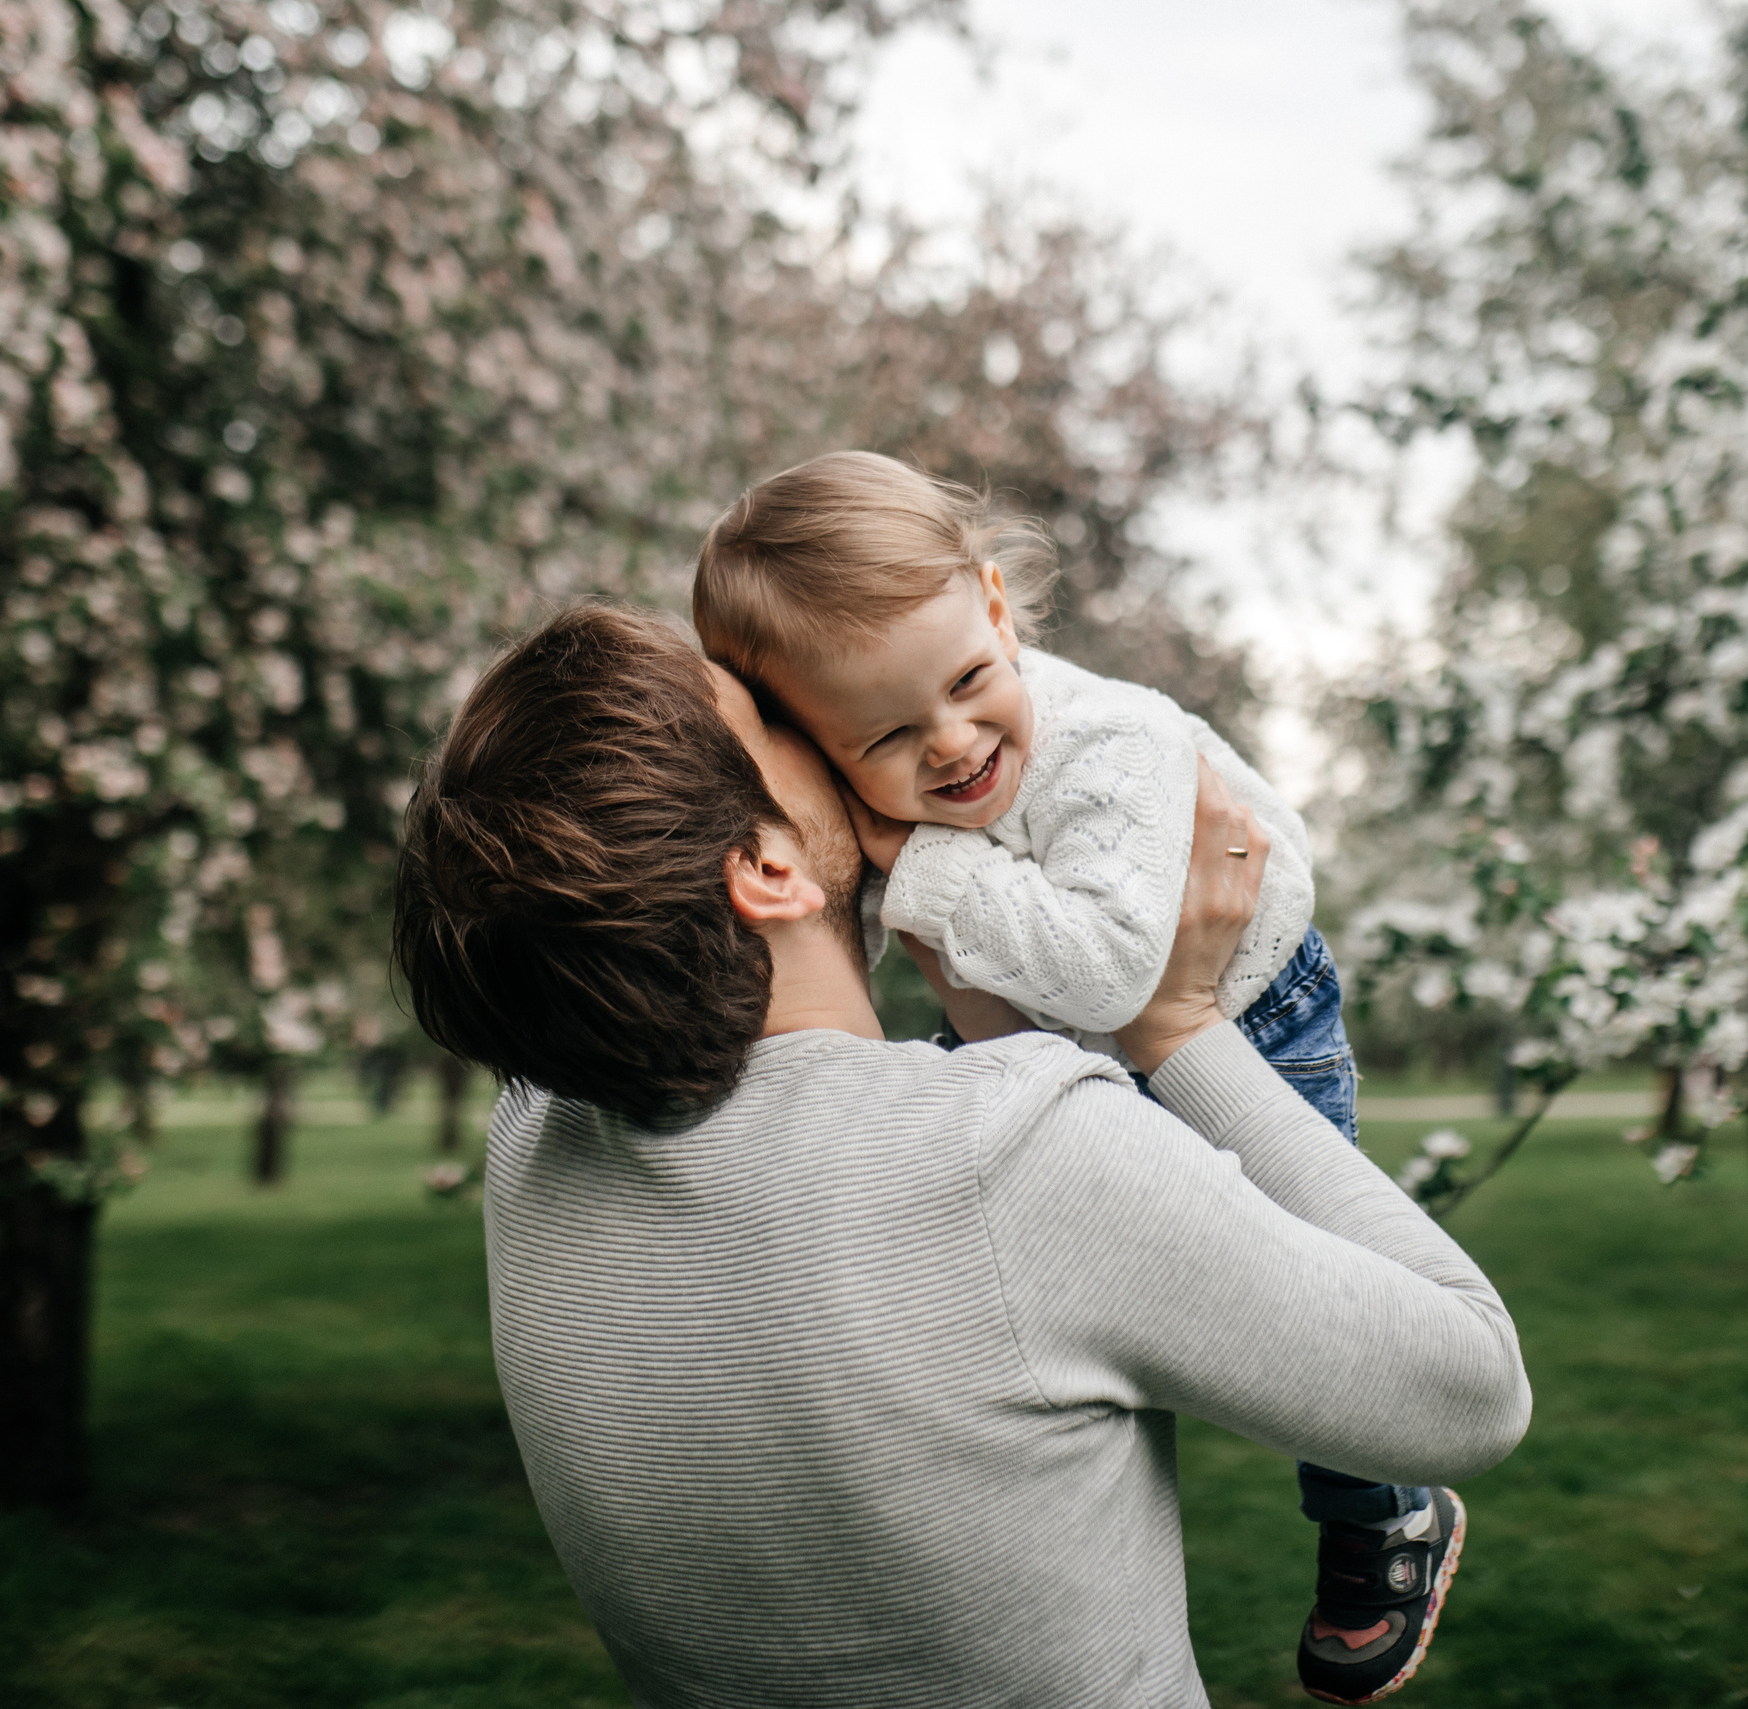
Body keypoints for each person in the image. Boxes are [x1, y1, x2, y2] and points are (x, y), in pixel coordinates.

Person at [391, 601, 1531, 1708]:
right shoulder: (1011, 1150)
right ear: (767, 868)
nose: (822, 716)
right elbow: (1470, 1392)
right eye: (771, 715)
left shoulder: (535, 1152)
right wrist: (1179, 1030)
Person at [690, 451, 1428, 1690]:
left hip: (1255, 1020)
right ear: (817, 753)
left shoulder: (1114, 743)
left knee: (1333, 1293)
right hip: (1077, 1035)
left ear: (995, 602)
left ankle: (1384, 1511)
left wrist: (919, 872)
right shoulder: (907, 779)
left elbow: (1110, 974)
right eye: (884, 735)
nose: (954, 743)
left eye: (972, 681)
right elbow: (863, 948)